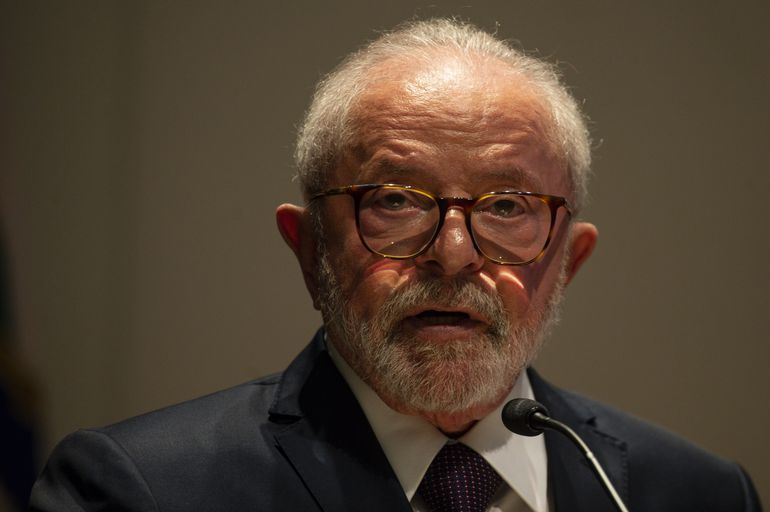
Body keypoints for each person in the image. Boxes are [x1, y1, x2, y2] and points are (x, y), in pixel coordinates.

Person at [29, 18, 760, 512]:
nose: (453, 253)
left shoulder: (695, 494)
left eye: (507, 207)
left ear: (569, 259)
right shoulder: (142, 491)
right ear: (309, 247)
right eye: (395, 200)